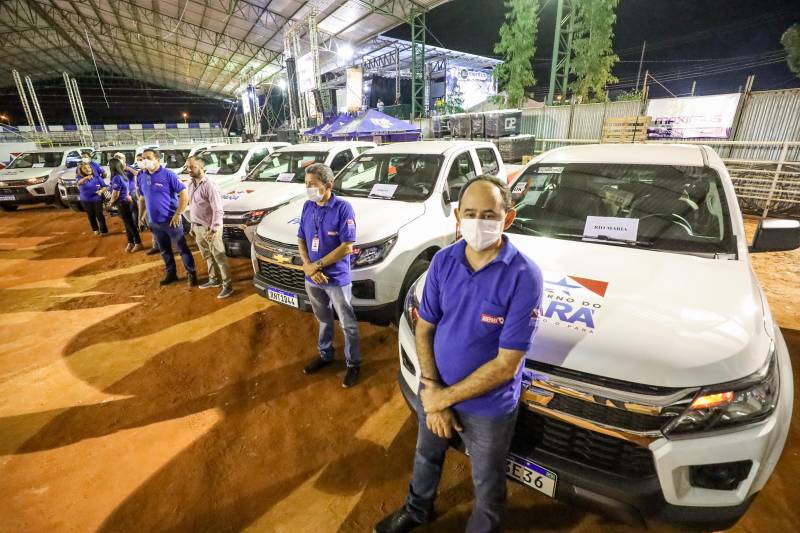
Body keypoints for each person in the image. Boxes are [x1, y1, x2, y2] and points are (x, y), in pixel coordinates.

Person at [374, 176, 544, 533]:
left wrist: (439, 400)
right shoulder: (443, 262)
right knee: (426, 456)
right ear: (457, 215)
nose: (478, 222)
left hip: (488, 407)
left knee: (488, 484)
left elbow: (506, 365)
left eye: (488, 214)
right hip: (436, 387)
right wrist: (432, 386)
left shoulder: (524, 276)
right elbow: (425, 328)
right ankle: (416, 510)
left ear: (507, 218)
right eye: (470, 213)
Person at [298, 163, 361, 388]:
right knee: (323, 319)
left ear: (328, 185)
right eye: (306, 184)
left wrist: (317, 265)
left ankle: (353, 363)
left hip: (336, 278)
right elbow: (301, 239)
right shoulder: (307, 206)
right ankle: (325, 354)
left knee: (347, 322)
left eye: (312, 185)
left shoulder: (344, 208)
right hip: (312, 279)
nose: (308, 189)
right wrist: (308, 266)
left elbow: (347, 247)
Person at [137, 148, 197, 287]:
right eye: (142, 158)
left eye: (148, 158)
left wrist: (178, 214)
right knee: (164, 250)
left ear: (157, 160)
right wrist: (141, 217)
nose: (144, 160)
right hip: (155, 222)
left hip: (171, 220)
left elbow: (183, 193)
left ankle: (191, 274)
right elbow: (142, 199)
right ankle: (171, 273)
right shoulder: (141, 176)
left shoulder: (168, 174)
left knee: (182, 248)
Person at [186, 156, 233, 299]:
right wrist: (193, 225)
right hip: (198, 227)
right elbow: (193, 207)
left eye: (192, 167)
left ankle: (228, 285)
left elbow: (218, 210)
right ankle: (214, 279)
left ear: (201, 167)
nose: (189, 170)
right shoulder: (190, 184)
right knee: (207, 255)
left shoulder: (210, 185)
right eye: (187, 167)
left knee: (219, 256)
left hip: (210, 228)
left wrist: (213, 230)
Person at [108, 158, 142, 252]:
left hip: (122, 203)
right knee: (128, 224)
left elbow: (115, 194)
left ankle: (138, 243)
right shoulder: (122, 175)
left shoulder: (116, 177)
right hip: (126, 201)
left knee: (129, 224)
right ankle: (131, 242)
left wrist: (110, 203)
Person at [135, 154, 162, 256]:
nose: (141, 162)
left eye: (142, 160)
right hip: (145, 204)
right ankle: (156, 246)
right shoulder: (140, 174)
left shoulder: (154, 174)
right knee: (152, 226)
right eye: (138, 160)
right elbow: (139, 190)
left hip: (156, 206)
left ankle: (166, 246)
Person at [76, 162, 108, 235]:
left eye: (89, 168)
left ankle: (103, 230)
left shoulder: (97, 177)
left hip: (97, 199)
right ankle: (95, 229)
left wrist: (101, 191)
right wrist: (86, 178)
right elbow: (79, 183)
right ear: (81, 170)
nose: (88, 169)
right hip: (85, 200)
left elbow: (105, 187)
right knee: (90, 215)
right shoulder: (79, 177)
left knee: (99, 214)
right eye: (85, 168)